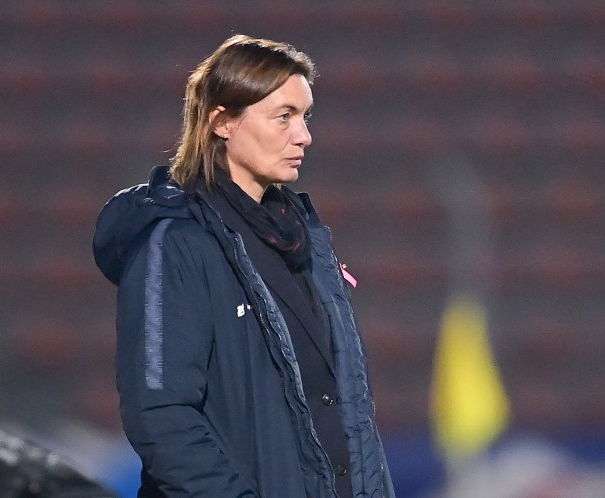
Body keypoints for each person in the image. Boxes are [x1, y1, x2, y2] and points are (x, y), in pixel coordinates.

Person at [93, 34, 395, 497]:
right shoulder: (176, 245)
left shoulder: (304, 242)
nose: (304, 136)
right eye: (284, 117)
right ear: (223, 122)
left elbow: (347, 413)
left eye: (305, 116)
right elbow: (161, 417)